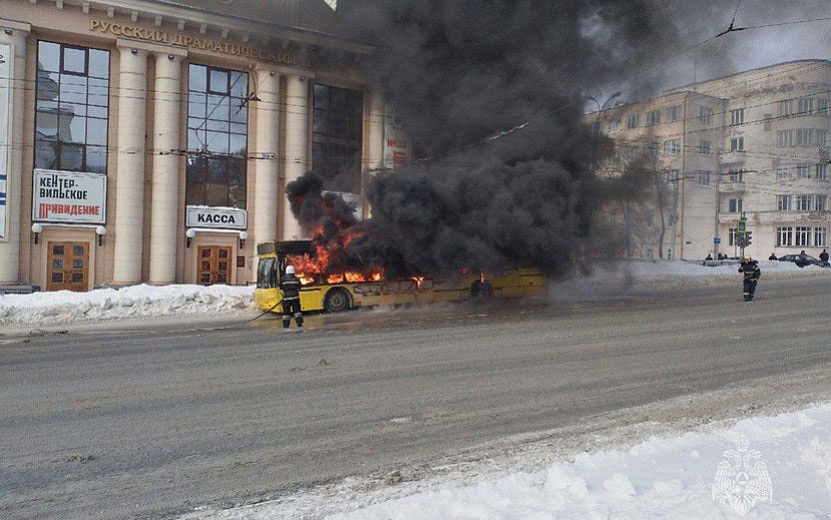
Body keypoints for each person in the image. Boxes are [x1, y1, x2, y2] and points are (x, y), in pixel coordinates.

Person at [280, 265, 303, 329]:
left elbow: (280, 287)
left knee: (286, 312)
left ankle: (286, 325)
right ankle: (299, 323)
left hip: (286, 299)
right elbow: (300, 287)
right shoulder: (296, 279)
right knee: (297, 311)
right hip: (295, 298)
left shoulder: (283, 279)